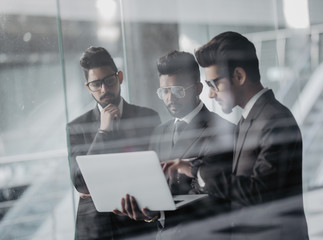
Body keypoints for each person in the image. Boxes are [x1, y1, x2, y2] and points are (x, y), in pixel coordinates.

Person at [163, 32, 309, 239]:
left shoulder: (274, 119)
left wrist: (199, 173)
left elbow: (261, 193)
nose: (211, 94)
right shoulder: (248, 119)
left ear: (239, 76)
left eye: (214, 84)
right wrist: (193, 169)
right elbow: (238, 187)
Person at [114, 50, 235, 239]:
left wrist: (158, 213)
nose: (170, 99)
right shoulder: (160, 132)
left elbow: (215, 198)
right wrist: (145, 210)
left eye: (178, 90)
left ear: (197, 88)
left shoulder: (223, 131)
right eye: (164, 91)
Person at [67, 46, 161, 240]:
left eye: (109, 81)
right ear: (88, 87)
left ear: (119, 77)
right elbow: (81, 183)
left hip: (138, 225)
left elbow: (156, 174)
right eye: (96, 84)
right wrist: (103, 132)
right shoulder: (76, 127)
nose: (104, 89)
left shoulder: (148, 117)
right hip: (94, 228)